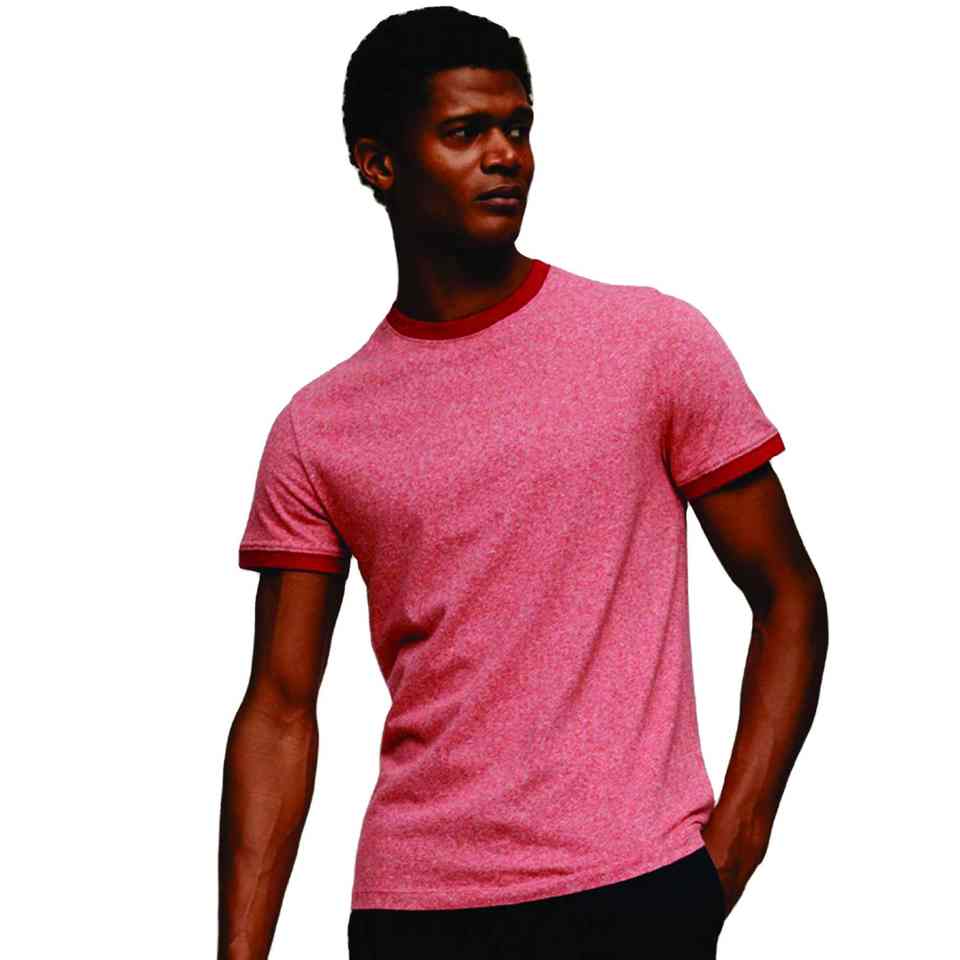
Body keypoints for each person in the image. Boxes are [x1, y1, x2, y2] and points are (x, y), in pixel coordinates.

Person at [218, 6, 829, 959]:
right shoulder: (318, 427)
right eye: (465, 132)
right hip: (414, 913)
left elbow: (787, 595)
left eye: (518, 126)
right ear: (378, 163)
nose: (506, 155)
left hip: (636, 889)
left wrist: (732, 847)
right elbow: (280, 709)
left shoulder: (650, 343)